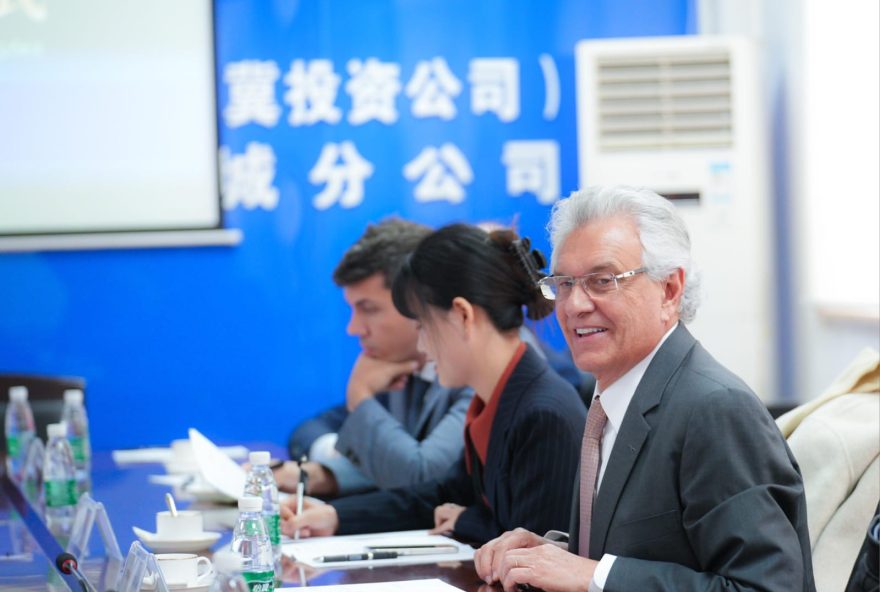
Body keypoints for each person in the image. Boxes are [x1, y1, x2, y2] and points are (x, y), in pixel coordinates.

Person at [475, 186, 816, 592]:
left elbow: (766, 587)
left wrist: (591, 575)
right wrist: (549, 555)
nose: (575, 305)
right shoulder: (612, 397)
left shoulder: (715, 409)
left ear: (669, 291)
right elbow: (653, 553)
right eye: (564, 282)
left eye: (602, 281)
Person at [280, 224, 586, 544]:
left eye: (424, 325)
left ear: (462, 316)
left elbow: (537, 550)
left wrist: (466, 519)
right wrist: (336, 517)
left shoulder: (542, 412)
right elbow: (441, 494)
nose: (423, 347)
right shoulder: (494, 399)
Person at [275, 218, 473, 497]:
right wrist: (332, 467)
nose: (354, 328)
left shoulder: (474, 370)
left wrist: (360, 395)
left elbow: (423, 479)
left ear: (417, 301)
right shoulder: (397, 364)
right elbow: (310, 430)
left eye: (368, 309)